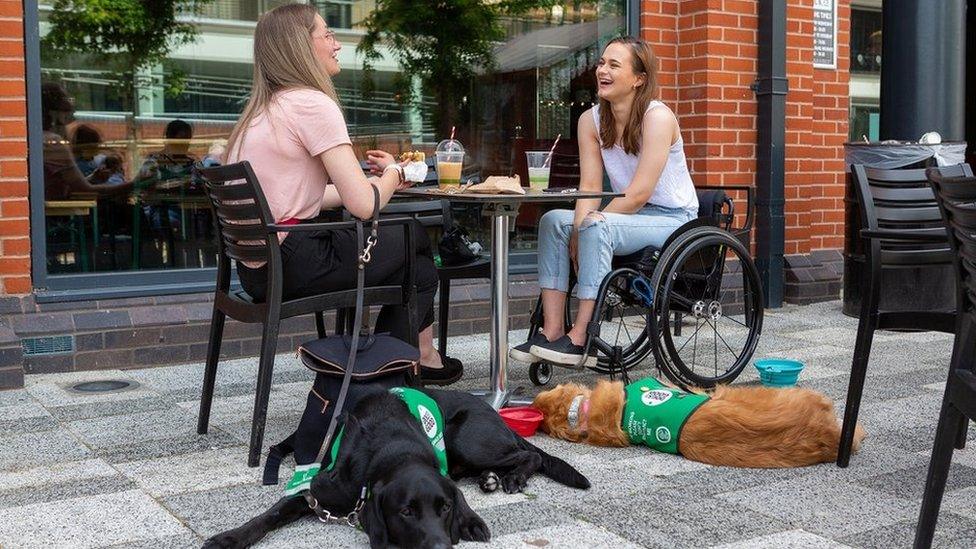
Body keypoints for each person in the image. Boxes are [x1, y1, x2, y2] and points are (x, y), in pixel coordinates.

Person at [226, 4, 462, 385]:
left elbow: (300, 198)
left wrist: (383, 181)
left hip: (259, 270)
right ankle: (392, 365)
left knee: (416, 265)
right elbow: (364, 205)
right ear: (301, 45)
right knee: (414, 236)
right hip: (296, 260)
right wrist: (394, 173)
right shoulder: (311, 104)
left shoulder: (261, 112)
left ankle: (413, 359)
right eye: (328, 35)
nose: (337, 44)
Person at [511, 36, 698, 366]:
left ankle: (582, 337)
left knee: (596, 224)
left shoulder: (658, 118)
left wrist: (586, 228)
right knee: (554, 220)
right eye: (601, 63)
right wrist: (578, 226)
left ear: (639, 78)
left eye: (614, 65)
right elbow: (591, 186)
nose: (603, 70)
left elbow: (639, 193)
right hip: (629, 217)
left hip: (672, 218)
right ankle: (553, 331)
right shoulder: (591, 120)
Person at [41, 83, 133, 200]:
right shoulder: (53, 143)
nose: (71, 105)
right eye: (66, 100)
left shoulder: (39, 138)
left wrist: (93, 178)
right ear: (54, 111)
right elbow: (84, 191)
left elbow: (69, 187)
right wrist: (136, 184)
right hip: (58, 215)